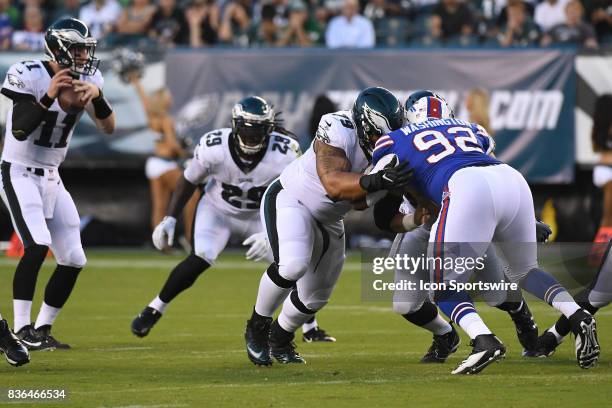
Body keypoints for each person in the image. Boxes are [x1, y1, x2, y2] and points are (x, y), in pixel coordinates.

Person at [371, 90, 599, 373]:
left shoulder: (396, 139)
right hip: (505, 182)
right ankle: (577, 316)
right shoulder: (470, 129)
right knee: (525, 271)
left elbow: (372, 181)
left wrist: (365, 181)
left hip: (463, 196)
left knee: (451, 289)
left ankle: (485, 340)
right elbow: (490, 172)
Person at [132, 96, 335, 343]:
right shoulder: (213, 146)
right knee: (201, 257)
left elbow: (298, 192)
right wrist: (171, 217)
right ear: (235, 126)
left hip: (262, 215)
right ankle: (154, 308)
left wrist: (273, 230)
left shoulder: (284, 151)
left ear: (269, 130)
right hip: (217, 210)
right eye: (248, 133)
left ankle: (309, 327)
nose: (252, 139)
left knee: (292, 265)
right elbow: (189, 179)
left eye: (259, 133)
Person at [244, 87, 409, 366]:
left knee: (315, 298)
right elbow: (333, 185)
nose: (382, 142)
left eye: (388, 136)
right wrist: (376, 181)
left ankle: (280, 337)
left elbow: (362, 206)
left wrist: (410, 209)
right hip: (292, 198)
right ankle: (257, 326)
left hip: (330, 219)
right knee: (293, 265)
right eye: (376, 135)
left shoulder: (401, 142)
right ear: (362, 124)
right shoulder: (337, 126)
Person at [0, 17, 115, 350]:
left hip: (52, 175)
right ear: (60, 48)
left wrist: (98, 97)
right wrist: (49, 95)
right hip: (18, 170)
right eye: (78, 48)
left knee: (74, 258)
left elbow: (108, 126)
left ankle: (42, 328)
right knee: (36, 245)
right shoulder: (29, 73)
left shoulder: (90, 77)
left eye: (85, 49)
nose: (83, 56)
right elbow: (20, 129)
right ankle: (21, 330)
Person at [127, 71, 196, 244]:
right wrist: (187, 152)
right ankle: (190, 238)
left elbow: (143, 101)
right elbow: (172, 145)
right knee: (192, 195)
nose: (170, 99)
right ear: (163, 100)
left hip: (153, 163)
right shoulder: (166, 119)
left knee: (160, 205)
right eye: (168, 96)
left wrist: (136, 83)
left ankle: (160, 244)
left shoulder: (152, 116)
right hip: (166, 164)